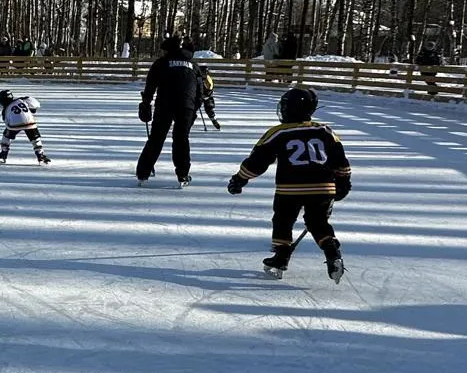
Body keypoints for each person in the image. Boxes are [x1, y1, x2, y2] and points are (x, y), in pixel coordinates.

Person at [226, 87, 352, 282]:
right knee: (318, 223)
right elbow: (340, 160)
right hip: (323, 187)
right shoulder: (325, 131)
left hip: (290, 188)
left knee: (283, 220)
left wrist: (239, 179)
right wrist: (343, 182)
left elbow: (257, 161)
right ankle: (331, 250)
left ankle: (281, 256)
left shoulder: (278, 133)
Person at [136, 35, 201, 186]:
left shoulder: (162, 63)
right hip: (186, 106)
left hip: (165, 104)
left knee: (156, 138)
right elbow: (200, 91)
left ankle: (143, 172)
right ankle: (183, 175)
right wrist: (194, 110)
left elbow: (150, 84)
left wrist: (146, 103)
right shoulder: (193, 65)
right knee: (181, 139)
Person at [0, 89, 51, 164]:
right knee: (35, 139)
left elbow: (6, 122)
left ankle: (3, 153)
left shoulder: (6, 109)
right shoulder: (21, 100)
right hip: (30, 122)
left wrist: (8, 133)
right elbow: (35, 104)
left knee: (6, 136)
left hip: (14, 125)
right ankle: (40, 155)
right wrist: (33, 109)